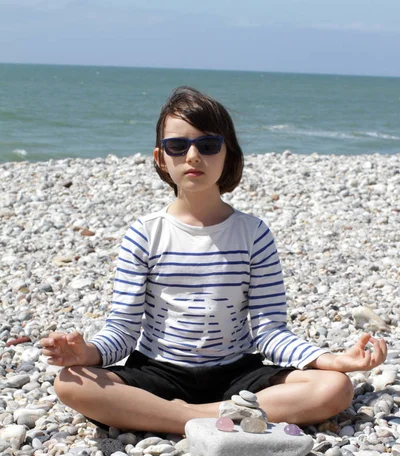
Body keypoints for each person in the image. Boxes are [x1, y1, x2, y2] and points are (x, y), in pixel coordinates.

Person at [40, 86, 387, 435]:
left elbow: (269, 331)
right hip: (158, 371)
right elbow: (124, 330)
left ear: (228, 155)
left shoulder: (253, 233)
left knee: (336, 387)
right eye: (178, 146)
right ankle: (215, 418)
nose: (193, 156)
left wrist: (331, 360)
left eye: (207, 145)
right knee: (70, 382)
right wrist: (87, 354)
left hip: (237, 372)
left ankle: (177, 417)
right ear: (161, 158)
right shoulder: (144, 233)